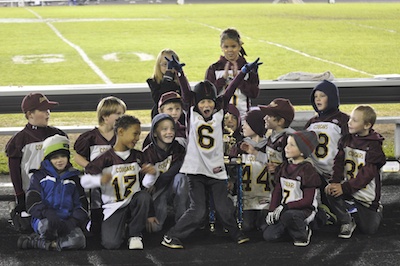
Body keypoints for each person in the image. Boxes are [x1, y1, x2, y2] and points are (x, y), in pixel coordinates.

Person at [161, 54, 262, 249]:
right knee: (197, 211)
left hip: (216, 169)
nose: (206, 105)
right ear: (195, 103)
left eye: (210, 101)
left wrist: (243, 72)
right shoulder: (191, 111)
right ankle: (172, 235)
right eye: (202, 102)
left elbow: (230, 88)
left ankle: (235, 232)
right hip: (196, 169)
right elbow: (185, 90)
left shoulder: (219, 110)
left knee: (224, 207)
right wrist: (179, 72)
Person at [80, 115, 156, 250]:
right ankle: (124, 227)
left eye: (139, 134)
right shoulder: (104, 159)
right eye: (135, 134)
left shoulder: (138, 156)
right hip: (113, 207)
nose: (137, 138)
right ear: (121, 132)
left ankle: (135, 234)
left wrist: (151, 174)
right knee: (111, 244)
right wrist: (99, 180)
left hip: (133, 202)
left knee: (143, 196)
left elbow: (147, 185)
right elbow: (84, 181)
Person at [5, 92, 67, 233]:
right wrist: (20, 196)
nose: (48, 113)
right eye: (43, 110)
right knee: (34, 228)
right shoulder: (19, 140)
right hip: (32, 195)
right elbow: (14, 171)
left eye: (48, 110)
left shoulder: (58, 135)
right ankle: (17, 211)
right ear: (30, 114)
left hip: (56, 193)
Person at [17, 134, 88, 251]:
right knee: (47, 228)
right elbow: (31, 202)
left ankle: (41, 243)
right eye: (55, 157)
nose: (59, 160)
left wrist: (73, 221)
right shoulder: (38, 176)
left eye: (63, 156)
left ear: (68, 157)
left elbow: (82, 205)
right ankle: (52, 241)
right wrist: (47, 213)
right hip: (45, 219)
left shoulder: (74, 178)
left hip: (67, 220)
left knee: (80, 241)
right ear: (48, 159)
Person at [325, 105, 386, 238]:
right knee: (329, 190)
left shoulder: (374, 146)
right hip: (348, 188)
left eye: (354, 120)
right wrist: (335, 182)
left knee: (368, 230)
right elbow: (338, 163)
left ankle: (375, 209)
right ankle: (347, 220)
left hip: (365, 194)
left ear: (367, 125)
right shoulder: (346, 140)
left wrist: (345, 187)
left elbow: (366, 175)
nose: (349, 122)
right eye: (350, 118)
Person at [73, 96, 126, 236]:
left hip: (116, 177)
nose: (122, 117)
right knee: (96, 199)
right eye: (118, 114)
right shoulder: (90, 137)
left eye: (123, 114)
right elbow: (77, 156)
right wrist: (90, 166)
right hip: (97, 179)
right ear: (105, 116)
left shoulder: (121, 136)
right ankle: (95, 224)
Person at [263, 130, 320, 247]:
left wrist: (285, 206)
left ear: (303, 151)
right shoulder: (284, 166)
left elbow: (307, 200)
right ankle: (291, 229)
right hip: (285, 209)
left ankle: (303, 232)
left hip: (303, 210)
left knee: (289, 216)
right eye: (287, 144)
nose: (286, 148)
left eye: (292, 145)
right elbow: (278, 190)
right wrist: (272, 209)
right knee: (269, 235)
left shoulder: (307, 170)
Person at [304, 80, 349, 224]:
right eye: (315, 96)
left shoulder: (343, 120)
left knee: (338, 203)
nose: (318, 99)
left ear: (332, 97)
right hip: (317, 170)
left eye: (322, 95)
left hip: (338, 169)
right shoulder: (311, 122)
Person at [142, 113, 188, 232]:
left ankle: (182, 221)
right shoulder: (148, 153)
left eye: (172, 128)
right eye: (164, 129)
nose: (170, 132)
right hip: (158, 192)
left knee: (181, 178)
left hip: (169, 185)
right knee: (154, 229)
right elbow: (145, 186)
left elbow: (178, 167)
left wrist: (158, 182)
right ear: (155, 133)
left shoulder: (178, 148)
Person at [205, 28, 260, 119]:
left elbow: (254, 93)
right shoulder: (214, 68)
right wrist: (222, 80)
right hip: (219, 117)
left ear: (240, 46)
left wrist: (239, 80)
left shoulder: (248, 67)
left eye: (233, 46)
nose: (230, 50)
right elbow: (207, 94)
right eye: (226, 47)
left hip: (242, 117)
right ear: (221, 47)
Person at [235, 108, 269, 232]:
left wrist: (254, 152)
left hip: (266, 197)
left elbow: (274, 163)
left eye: (247, 123)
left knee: (265, 226)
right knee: (247, 226)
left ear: (256, 126)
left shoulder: (269, 146)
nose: (243, 126)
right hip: (246, 197)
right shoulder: (239, 146)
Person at [147, 49, 183, 122]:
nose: (168, 68)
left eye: (171, 64)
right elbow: (158, 99)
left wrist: (181, 74)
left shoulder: (179, 81)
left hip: (178, 116)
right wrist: (168, 77)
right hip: (160, 117)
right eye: (165, 64)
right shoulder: (154, 82)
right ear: (158, 65)